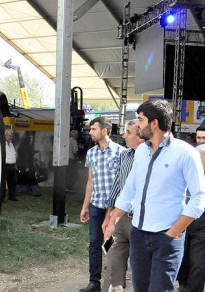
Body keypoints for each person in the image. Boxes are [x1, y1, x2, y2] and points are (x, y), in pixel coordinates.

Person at [104, 99, 205, 292]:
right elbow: (129, 190)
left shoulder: (185, 153)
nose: (137, 124)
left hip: (167, 238)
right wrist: (112, 220)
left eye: (140, 119)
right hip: (139, 236)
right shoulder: (141, 151)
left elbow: (199, 198)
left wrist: (173, 234)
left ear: (154, 123)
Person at [80, 117, 126, 292]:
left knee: (115, 245)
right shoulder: (91, 153)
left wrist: (117, 208)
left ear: (104, 131)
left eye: (93, 129)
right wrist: (85, 206)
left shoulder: (121, 152)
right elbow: (90, 181)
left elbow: (124, 182)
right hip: (96, 206)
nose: (90, 132)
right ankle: (94, 282)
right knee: (94, 243)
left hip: (114, 208)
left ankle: (117, 281)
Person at [100, 120, 145, 291]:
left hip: (141, 221)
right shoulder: (124, 155)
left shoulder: (152, 156)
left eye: (128, 132)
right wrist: (109, 217)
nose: (124, 136)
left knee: (140, 268)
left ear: (140, 136)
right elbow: (117, 187)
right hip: (120, 219)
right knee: (113, 263)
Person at [177, 143, 205, 292]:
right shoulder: (186, 172)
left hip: (202, 225)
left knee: (198, 262)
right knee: (183, 258)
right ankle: (183, 285)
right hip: (184, 221)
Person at [16, 132, 41, 197]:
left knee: (26, 179)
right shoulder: (26, 147)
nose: (31, 141)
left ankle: (29, 190)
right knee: (30, 178)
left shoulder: (23, 146)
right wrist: (27, 166)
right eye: (31, 139)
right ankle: (35, 190)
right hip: (26, 166)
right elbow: (26, 157)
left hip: (23, 166)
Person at [4, 129, 18, 201]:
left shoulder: (12, 144)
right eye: (10, 136)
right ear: (6, 135)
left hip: (12, 165)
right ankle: (3, 197)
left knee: (13, 182)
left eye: (12, 136)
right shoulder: (3, 144)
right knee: (4, 182)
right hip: (6, 165)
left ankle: (12, 196)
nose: (11, 138)